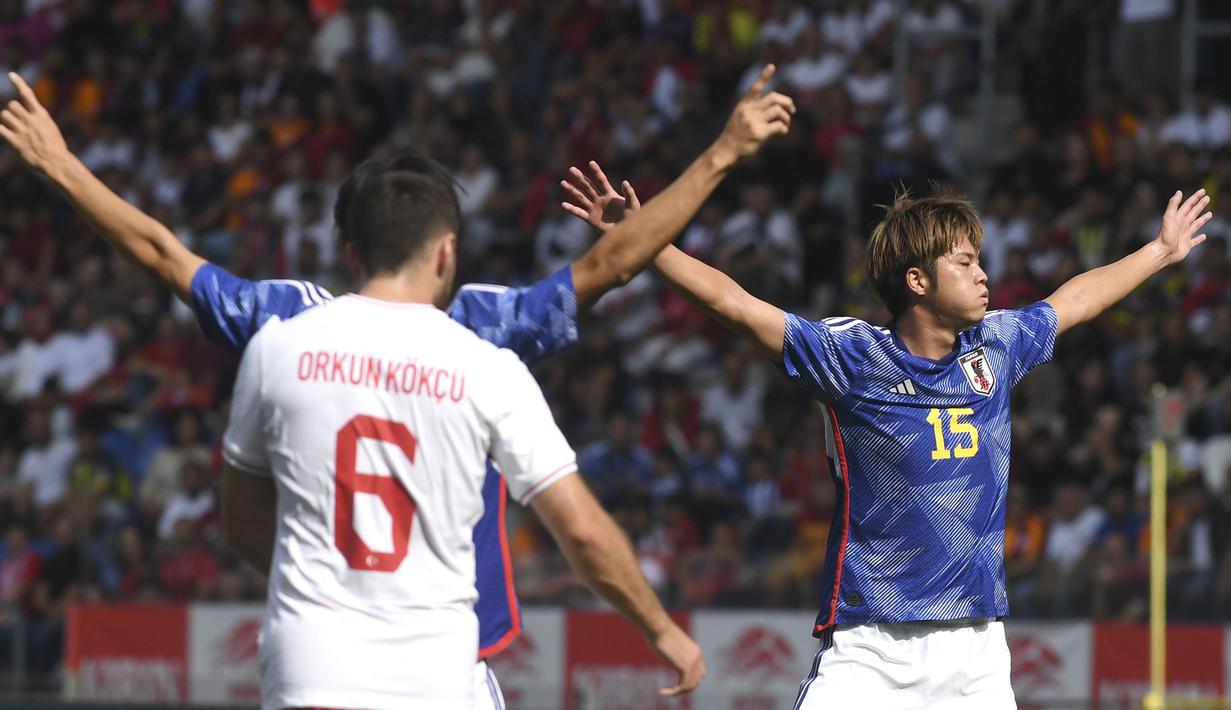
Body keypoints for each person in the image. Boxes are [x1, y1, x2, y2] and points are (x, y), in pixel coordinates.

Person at [0, 67, 793, 706]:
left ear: (347, 248)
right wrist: (722, 151)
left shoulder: (279, 332)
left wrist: (60, 164)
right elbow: (609, 265)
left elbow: (162, 254)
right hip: (438, 668)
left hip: (308, 662)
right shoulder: (482, 338)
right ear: (447, 252)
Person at [563, 162, 1212, 707]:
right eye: (963, 262)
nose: (983, 273)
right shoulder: (851, 358)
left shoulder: (996, 348)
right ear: (916, 281)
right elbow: (733, 305)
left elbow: (1076, 300)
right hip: (870, 647)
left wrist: (1160, 250)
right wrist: (646, 239)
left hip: (977, 650)